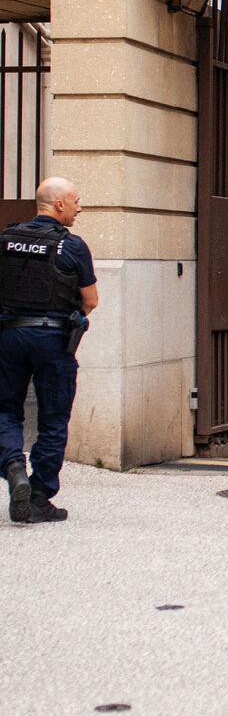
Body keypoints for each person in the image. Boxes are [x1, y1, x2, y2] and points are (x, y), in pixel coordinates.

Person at [1, 177, 99, 524]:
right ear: (59, 205)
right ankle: (39, 496)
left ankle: (13, 466)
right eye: (75, 201)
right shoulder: (72, 246)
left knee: (5, 409)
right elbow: (90, 301)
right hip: (53, 340)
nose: (79, 208)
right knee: (53, 418)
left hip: (9, 336)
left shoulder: (6, 239)